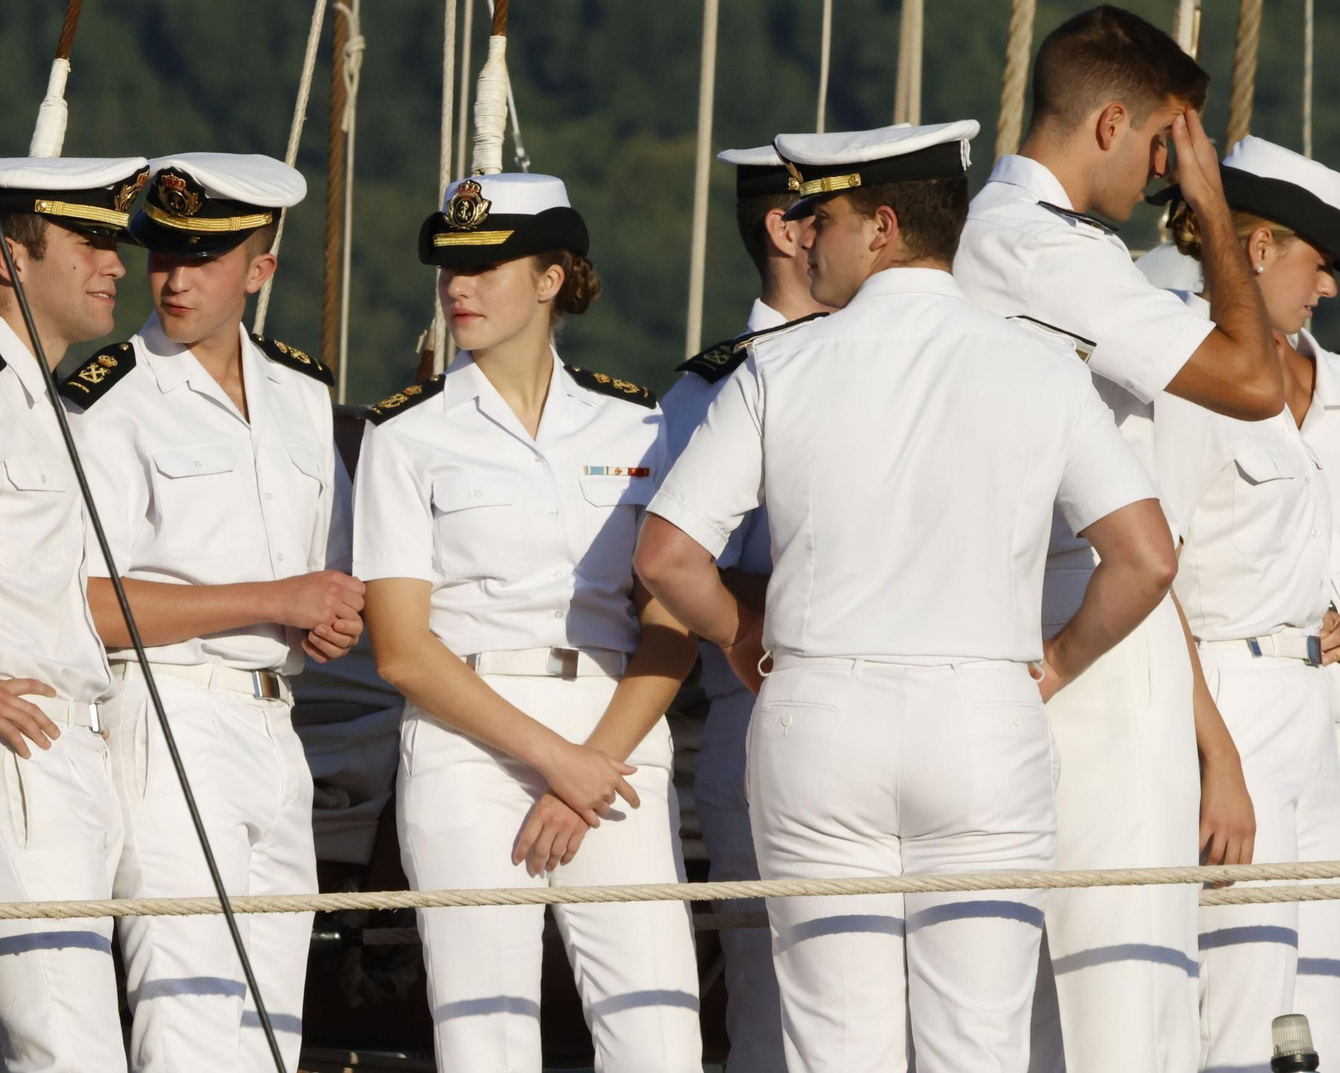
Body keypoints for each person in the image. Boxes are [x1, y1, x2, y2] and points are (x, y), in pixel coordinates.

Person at [635, 120, 1179, 1073]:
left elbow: (668, 555)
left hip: (818, 715)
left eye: (823, 217)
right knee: (979, 1047)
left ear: (881, 227)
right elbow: (1145, 558)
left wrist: (736, 634)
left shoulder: (783, 365)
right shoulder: (1041, 362)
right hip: (981, 713)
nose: (805, 236)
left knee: (835, 1049)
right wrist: (1056, 663)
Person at [950, 10, 1267, 1071]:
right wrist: (1217, 210)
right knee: (1128, 1008)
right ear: (1112, 122)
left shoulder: (973, 232)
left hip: (1031, 622)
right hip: (1080, 646)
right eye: (1162, 147)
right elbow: (1252, 380)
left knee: (1021, 1019)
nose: (1166, 176)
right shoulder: (1048, 255)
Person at [353, 171, 704, 1072]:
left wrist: (593, 762)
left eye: (485, 264)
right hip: (468, 739)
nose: (457, 287)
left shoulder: (639, 427)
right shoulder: (405, 435)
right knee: (485, 1037)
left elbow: (671, 624)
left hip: (616, 727)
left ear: (552, 279)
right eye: (448, 267)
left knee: (657, 1029)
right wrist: (558, 763)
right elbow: (400, 648)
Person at [65, 152, 362, 1073]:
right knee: (188, 1011)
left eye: (202, 258)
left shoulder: (305, 396)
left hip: (280, 723)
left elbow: (341, 570)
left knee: (273, 1027)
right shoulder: (108, 398)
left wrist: (334, 616)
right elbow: (90, 603)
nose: (174, 279)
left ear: (260, 271)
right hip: (168, 713)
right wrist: (276, 599)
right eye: (162, 256)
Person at [0, 154, 148, 1072]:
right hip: (9, 760)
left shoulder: (54, 407)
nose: (119, 265)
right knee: (73, 1051)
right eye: (92, 242)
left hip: (70, 756)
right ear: (14, 253)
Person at [1148, 135, 1340, 1070]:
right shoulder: (1189, 379)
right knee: (1241, 987)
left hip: (1326, 706)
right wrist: (1215, 755)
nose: (1331, 287)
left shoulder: (1339, 391)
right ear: (1256, 251)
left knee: (1327, 995)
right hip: (1226, 693)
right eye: (1320, 262)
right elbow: (1153, 577)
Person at [660, 140, 835, 1073]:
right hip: (762, 697)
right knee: (774, 1002)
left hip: (891, 704)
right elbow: (685, 564)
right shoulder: (714, 386)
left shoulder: (882, 363)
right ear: (788, 228)